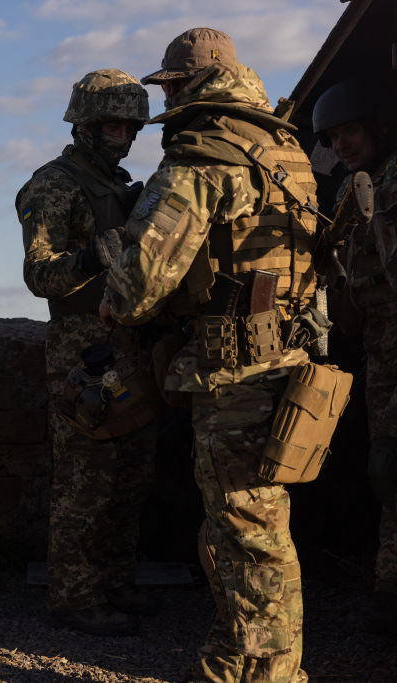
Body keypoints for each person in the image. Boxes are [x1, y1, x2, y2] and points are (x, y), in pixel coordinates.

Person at [102, 28, 321, 681]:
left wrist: (116, 292)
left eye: (170, 86)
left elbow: (139, 284)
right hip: (285, 355)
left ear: (188, 84)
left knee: (246, 527)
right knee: (253, 521)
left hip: (234, 366)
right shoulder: (287, 150)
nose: (167, 99)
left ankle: (265, 670)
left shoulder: (202, 154)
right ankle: (248, 659)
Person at [15, 69, 159, 636]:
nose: (122, 136)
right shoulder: (54, 185)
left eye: (129, 127)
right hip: (83, 348)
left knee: (132, 475)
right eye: (111, 126)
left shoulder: (121, 185)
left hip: (130, 342)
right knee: (85, 477)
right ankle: (74, 596)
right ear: (84, 125)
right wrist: (91, 259)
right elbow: (39, 277)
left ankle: (115, 583)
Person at [313, 80, 397, 633]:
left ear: (376, 129)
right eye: (333, 137)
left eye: (351, 132)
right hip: (378, 346)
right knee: (387, 468)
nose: (341, 144)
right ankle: (389, 590)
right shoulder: (351, 189)